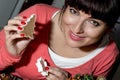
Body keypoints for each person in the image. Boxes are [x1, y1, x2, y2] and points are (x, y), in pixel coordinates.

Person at [0, 0, 120, 80]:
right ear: (64, 8)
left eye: (94, 22)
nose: (77, 29)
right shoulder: (38, 15)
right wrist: (10, 54)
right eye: (74, 12)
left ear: (108, 29)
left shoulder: (108, 55)